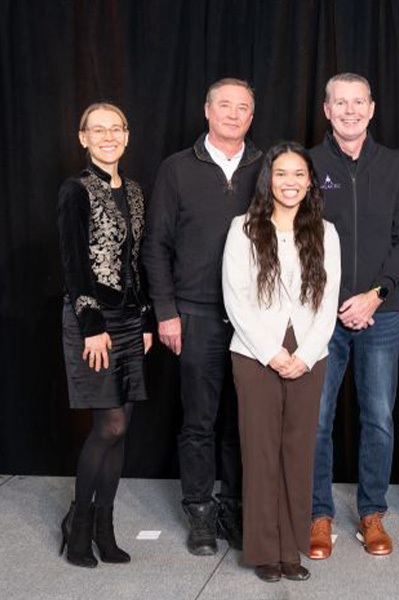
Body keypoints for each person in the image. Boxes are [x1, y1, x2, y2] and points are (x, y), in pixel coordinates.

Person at [143, 78, 263, 555]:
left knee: (241, 420)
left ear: (251, 117)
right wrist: (166, 313)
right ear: (207, 110)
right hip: (195, 313)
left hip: (253, 317)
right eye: (226, 106)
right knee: (199, 419)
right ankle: (199, 509)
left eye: (244, 108)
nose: (234, 115)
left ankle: (234, 505)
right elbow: (156, 247)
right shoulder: (176, 169)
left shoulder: (267, 167)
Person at [308, 73, 399, 558]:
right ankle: (318, 514)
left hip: (382, 313)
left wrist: (376, 294)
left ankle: (372, 513)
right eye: (340, 103)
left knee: (377, 418)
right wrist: (333, 300)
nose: (350, 111)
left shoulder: (396, 166)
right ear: (327, 110)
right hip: (321, 315)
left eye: (358, 102)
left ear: (371, 109)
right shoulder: (308, 165)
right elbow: (298, 240)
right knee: (317, 419)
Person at [223, 142, 340, 582]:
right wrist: (271, 353)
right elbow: (235, 297)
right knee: (260, 452)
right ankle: (263, 550)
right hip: (255, 353)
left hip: (310, 354)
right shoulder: (244, 228)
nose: (290, 182)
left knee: (298, 451)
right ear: (268, 179)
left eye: (298, 174)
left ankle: (291, 548)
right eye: (281, 174)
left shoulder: (326, 232)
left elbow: (328, 302)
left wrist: (305, 355)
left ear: (309, 181)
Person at [58, 102, 153, 568]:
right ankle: (78, 529)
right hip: (93, 321)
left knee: (123, 431)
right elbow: (75, 265)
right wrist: (91, 326)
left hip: (131, 321)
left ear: (127, 135)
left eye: (115, 128)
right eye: (98, 129)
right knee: (108, 425)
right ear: (83, 138)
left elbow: (137, 262)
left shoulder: (133, 191)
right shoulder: (75, 190)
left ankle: (105, 527)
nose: (108, 136)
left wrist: (148, 319)